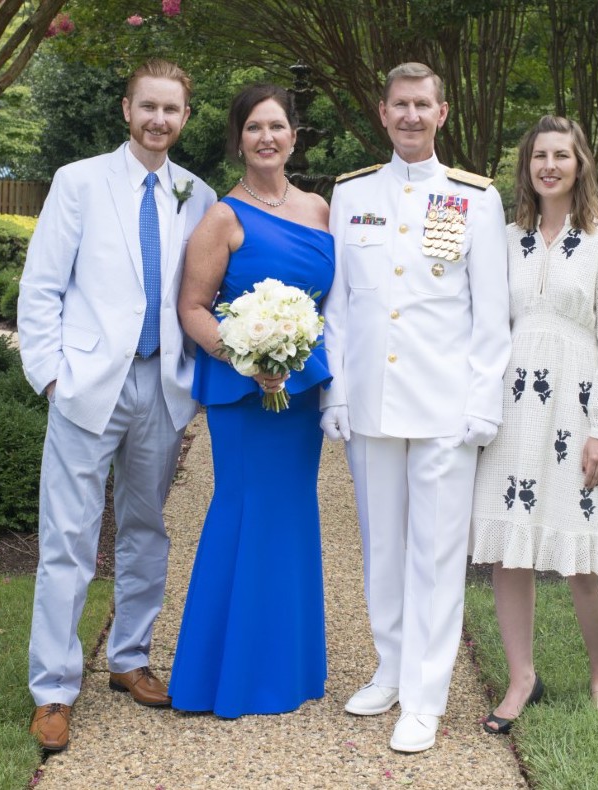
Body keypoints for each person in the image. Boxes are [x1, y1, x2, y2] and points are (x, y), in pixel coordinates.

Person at [19, 59, 216, 752]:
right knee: (67, 542)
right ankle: (53, 689)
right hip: (85, 387)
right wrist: (51, 378)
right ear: (126, 110)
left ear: (185, 118)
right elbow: (42, 286)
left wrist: (193, 381)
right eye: (149, 107)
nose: (160, 119)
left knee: (145, 530)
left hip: (160, 388)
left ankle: (130, 658)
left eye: (173, 110)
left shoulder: (198, 194)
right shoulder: (79, 183)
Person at [319, 62, 509, 753]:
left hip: (443, 407)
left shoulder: (474, 200)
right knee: (381, 549)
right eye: (399, 105)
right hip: (370, 401)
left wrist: (482, 404)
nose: (409, 116)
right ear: (382, 112)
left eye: (421, 105)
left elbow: (492, 314)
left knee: (433, 554)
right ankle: (391, 667)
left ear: (442, 112)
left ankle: (426, 697)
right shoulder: (352, 194)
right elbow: (339, 306)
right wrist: (335, 390)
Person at [168, 83, 334, 717]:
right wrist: (247, 356)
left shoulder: (321, 209)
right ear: (237, 138)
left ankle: (286, 667)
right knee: (240, 510)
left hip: (302, 394)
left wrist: (292, 358)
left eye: (278, 125)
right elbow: (192, 308)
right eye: (254, 127)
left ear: (294, 135)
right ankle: (224, 673)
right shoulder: (222, 217)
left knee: (293, 514)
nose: (267, 136)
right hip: (244, 394)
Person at [469, 115, 598, 734]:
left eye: (561, 155)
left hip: (576, 409)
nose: (550, 166)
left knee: (585, 558)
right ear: (527, 165)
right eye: (540, 155)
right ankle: (521, 680)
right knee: (511, 550)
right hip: (513, 409)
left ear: (579, 163)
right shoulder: (506, 239)